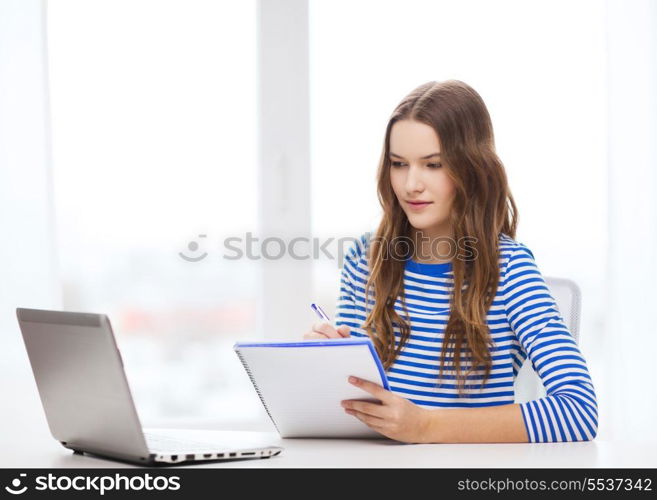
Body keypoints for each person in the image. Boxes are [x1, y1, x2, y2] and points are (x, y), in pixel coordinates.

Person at [303, 80, 598, 444]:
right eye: (399, 164)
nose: (411, 184)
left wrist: (425, 426)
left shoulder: (510, 269)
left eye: (433, 165)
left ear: (472, 169)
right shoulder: (366, 258)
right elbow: (358, 405)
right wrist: (327, 365)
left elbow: (579, 411)